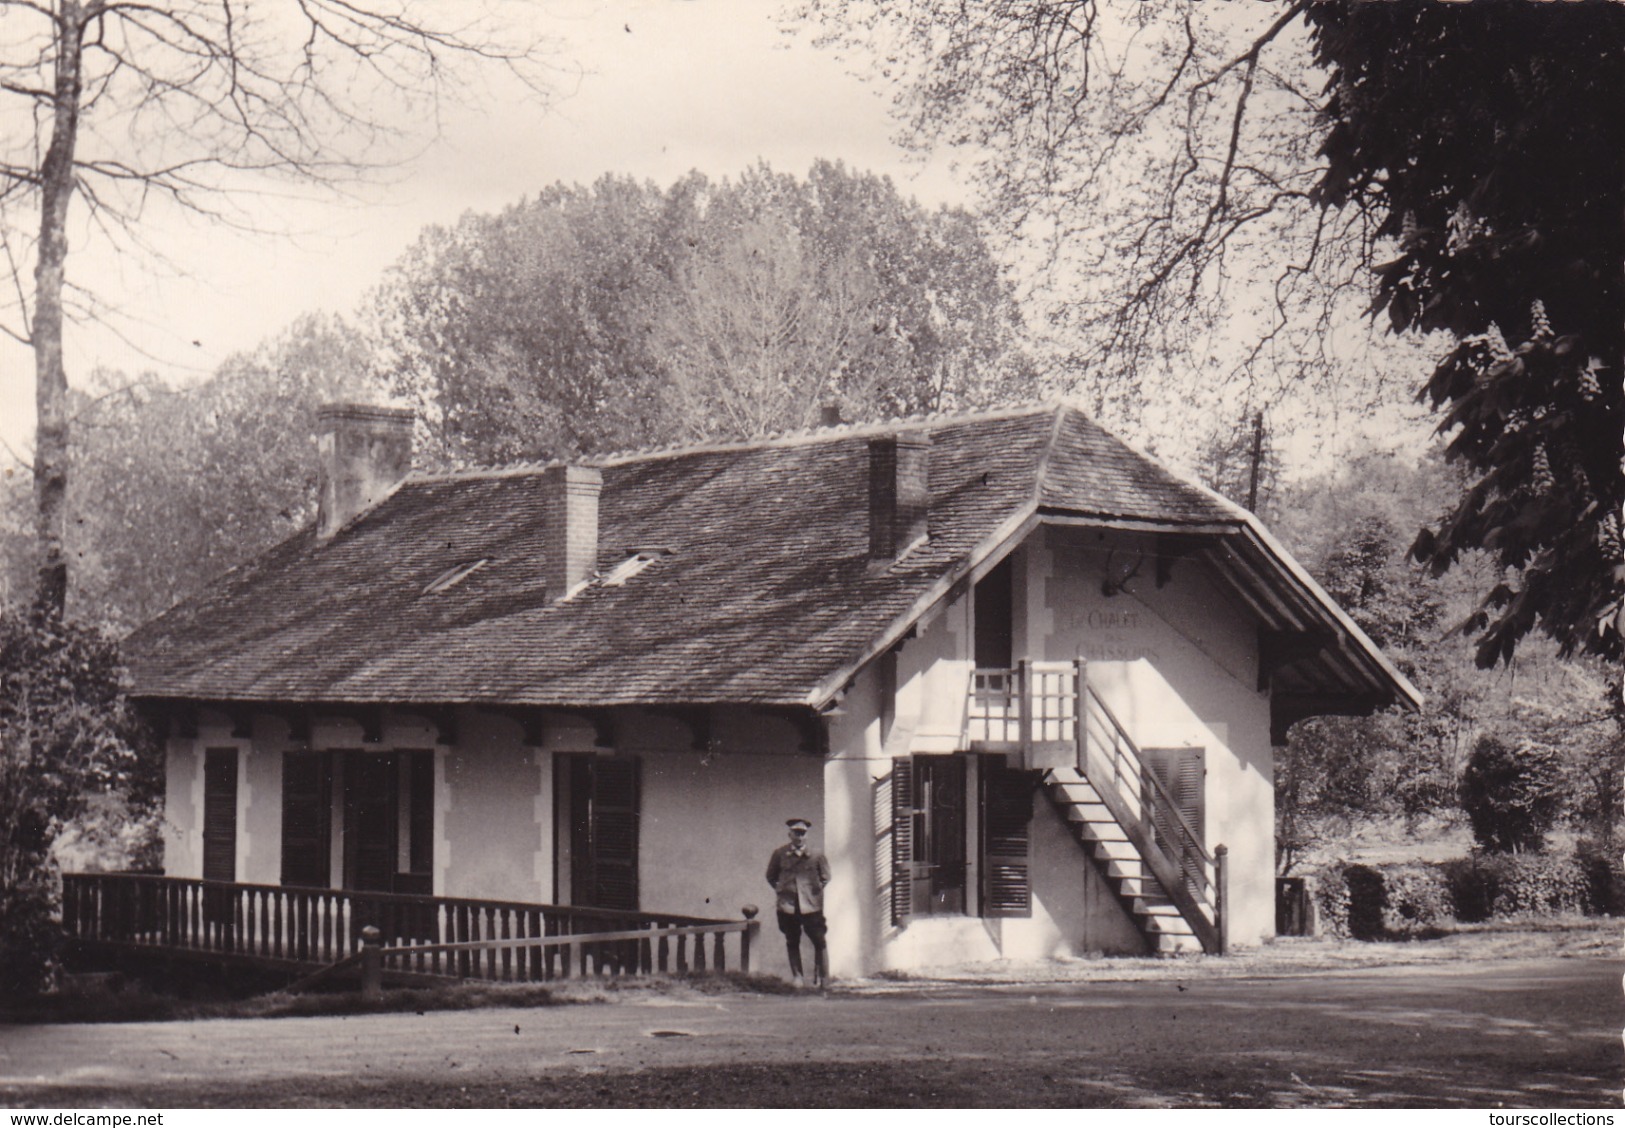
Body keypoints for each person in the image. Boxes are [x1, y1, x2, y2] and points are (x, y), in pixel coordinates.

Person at [765, 817, 831, 986]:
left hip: (811, 907)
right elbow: (771, 877)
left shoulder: (816, 855)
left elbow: (825, 877)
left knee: (819, 940)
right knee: (792, 940)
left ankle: (824, 978)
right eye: (796, 833)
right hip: (788, 907)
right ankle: (798, 977)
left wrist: (811, 893)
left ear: (807, 836)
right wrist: (783, 891)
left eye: (802, 834)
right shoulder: (780, 854)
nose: (799, 837)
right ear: (789, 834)